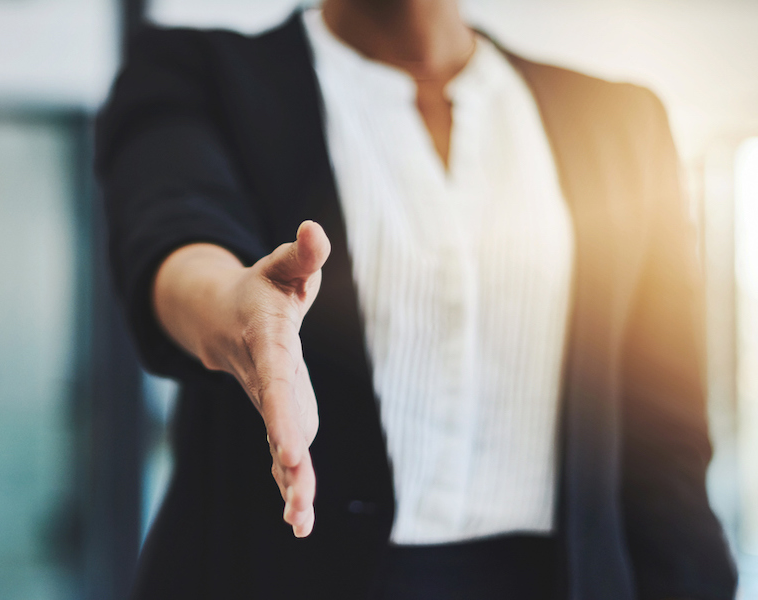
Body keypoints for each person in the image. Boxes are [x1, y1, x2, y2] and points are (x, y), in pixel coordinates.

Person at [95, 0, 738, 598]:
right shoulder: (197, 74)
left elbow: (665, 442)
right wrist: (234, 308)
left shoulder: (620, 123)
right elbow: (175, 229)